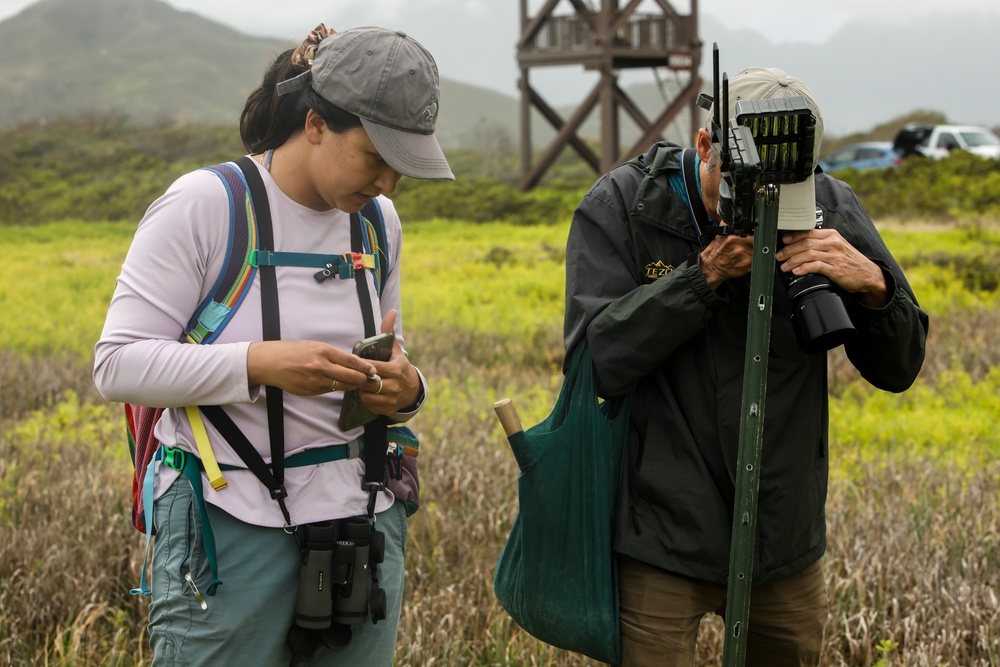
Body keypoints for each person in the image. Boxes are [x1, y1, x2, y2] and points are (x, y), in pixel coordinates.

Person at [94, 24, 453, 666]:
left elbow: (393, 353)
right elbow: (116, 365)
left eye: (403, 169)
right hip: (228, 523)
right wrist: (260, 364)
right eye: (375, 158)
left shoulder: (377, 223)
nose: (389, 185)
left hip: (362, 520)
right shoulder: (207, 205)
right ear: (315, 123)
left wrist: (409, 388)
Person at [563, 67, 928, 665]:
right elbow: (593, 362)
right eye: (751, 190)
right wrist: (700, 278)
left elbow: (901, 366)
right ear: (705, 146)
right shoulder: (627, 204)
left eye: (789, 192)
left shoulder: (830, 205)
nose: (769, 210)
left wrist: (872, 286)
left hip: (782, 538)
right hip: (662, 534)